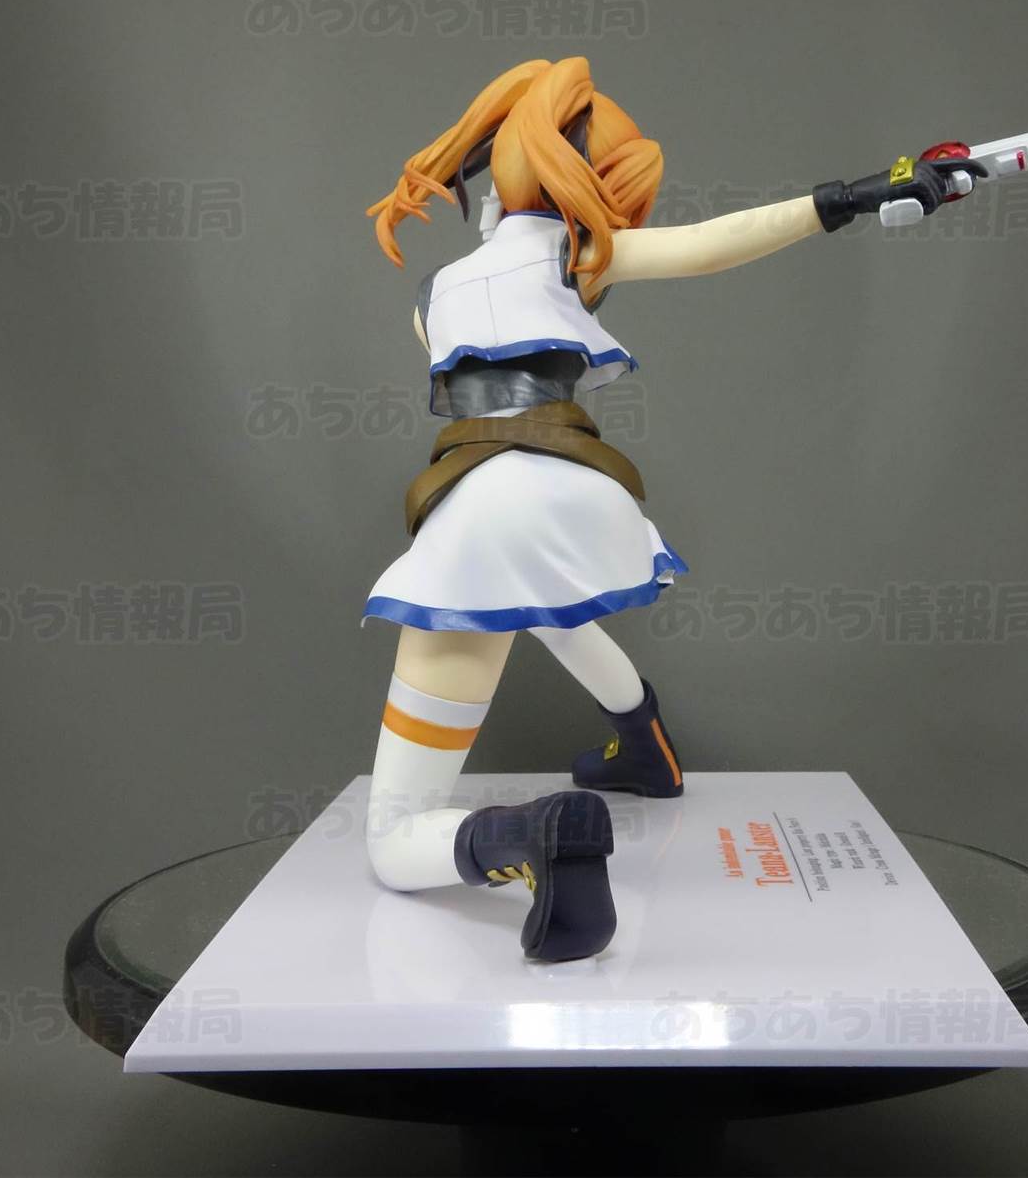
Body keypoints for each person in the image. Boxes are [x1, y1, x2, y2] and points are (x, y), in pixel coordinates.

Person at [362, 56, 961, 961]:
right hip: (580, 488)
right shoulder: (580, 256)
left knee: (391, 839)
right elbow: (716, 241)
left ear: (499, 174)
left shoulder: (435, 294)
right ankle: (643, 740)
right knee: (545, 599)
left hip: (485, 503)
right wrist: (861, 194)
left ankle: (525, 836)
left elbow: (471, 330)